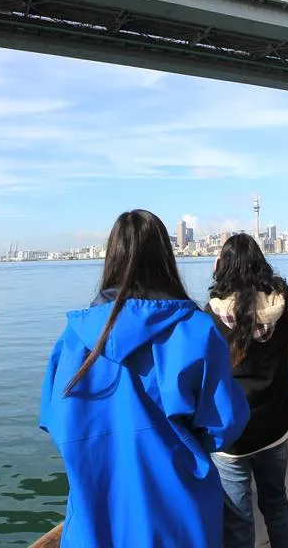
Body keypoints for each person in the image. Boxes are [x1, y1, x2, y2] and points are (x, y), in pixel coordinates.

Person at [39, 209, 250, 547]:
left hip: (96, 521)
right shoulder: (195, 330)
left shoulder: (74, 339)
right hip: (180, 518)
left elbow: (54, 419)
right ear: (166, 259)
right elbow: (223, 425)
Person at [205, 234, 288, 548]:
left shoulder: (211, 316)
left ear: (223, 266)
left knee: (238, 519)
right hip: (275, 424)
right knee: (277, 505)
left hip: (233, 435)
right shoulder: (284, 304)